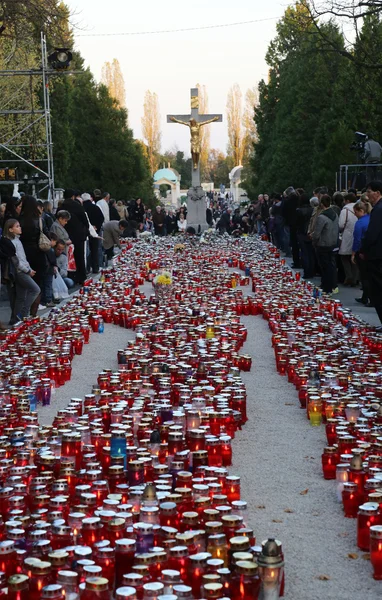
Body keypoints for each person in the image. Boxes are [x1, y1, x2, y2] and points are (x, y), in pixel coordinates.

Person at [3, 219, 40, 324]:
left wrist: (29, 269)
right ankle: (23, 313)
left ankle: (15, 319)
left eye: (19, 225)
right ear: (10, 229)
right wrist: (27, 270)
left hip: (23, 270)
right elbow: (16, 261)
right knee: (35, 289)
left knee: (21, 296)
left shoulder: (17, 240)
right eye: (17, 226)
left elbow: (23, 258)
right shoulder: (11, 243)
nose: (20, 227)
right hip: (19, 272)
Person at [19, 195, 48, 315]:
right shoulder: (40, 219)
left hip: (23, 254)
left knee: (23, 286)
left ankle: (22, 313)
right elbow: (46, 233)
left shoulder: (19, 220)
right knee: (37, 285)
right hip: (38, 253)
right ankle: (33, 313)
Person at [363, 181, 382, 327]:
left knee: (376, 290)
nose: (367, 194)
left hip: (376, 255)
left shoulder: (378, 209)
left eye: (369, 191)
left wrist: (363, 249)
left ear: (377, 192)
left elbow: (372, 233)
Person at [311, 194, 339, 294]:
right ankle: (332, 285)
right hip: (332, 243)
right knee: (331, 266)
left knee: (324, 267)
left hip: (322, 244)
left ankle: (327, 287)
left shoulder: (322, 217)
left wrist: (314, 240)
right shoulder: (335, 214)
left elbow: (317, 233)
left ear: (322, 204)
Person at [61, 189, 89, 285]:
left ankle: (71, 276)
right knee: (79, 256)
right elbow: (85, 220)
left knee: (68, 257)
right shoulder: (77, 206)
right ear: (73, 196)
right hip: (78, 235)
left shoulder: (62, 206)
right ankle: (81, 276)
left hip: (66, 235)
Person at [352, 199, 372, 306]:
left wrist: (354, 253)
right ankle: (366, 297)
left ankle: (368, 297)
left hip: (362, 251)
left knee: (364, 276)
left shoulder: (359, 223)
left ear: (360, 211)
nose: (354, 214)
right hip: (370, 251)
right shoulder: (370, 219)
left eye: (355, 212)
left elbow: (357, 239)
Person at [339, 193, 358, 286]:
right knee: (354, 258)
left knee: (344, 257)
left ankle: (349, 276)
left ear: (347, 201)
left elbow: (341, 224)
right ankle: (355, 278)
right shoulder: (359, 208)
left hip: (347, 235)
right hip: (357, 235)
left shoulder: (345, 211)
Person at [82, 192, 104, 275]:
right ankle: (95, 268)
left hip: (85, 232)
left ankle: (87, 268)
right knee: (94, 250)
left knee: (86, 251)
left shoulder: (82, 208)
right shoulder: (96, 208)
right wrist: (96, 227)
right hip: (95, 232)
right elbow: (101, 218)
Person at [296, 193, 314, 279]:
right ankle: (311, 270)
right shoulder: (312, 210)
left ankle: (307, 271)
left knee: (304, 253)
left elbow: (296, 222)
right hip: (310, 232)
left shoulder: (298, 211)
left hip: (301, 232)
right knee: (311, 252)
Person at [282, 186, 300, 266]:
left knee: (294, 243)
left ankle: (296, 261)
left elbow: (283, 212)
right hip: (299, 223)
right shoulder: (299, 199)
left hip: (291, 223)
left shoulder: (287, 201)